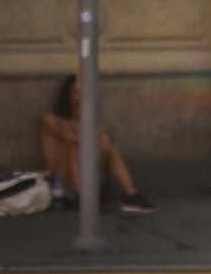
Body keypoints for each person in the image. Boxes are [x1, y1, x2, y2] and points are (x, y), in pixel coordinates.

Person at [39, 74, 155, 214]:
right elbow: (70, 137)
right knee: (78, 144)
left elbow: (102, 142)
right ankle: (79, 198)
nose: (78, 98)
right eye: (74, 92)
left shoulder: (90, 124)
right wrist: (98, 137)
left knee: (107, 145)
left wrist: (103, 140)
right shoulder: (51, 120)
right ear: (66, 94)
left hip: (91, 181)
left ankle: (132, 195)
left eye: (83, 94)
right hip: (61, 183)